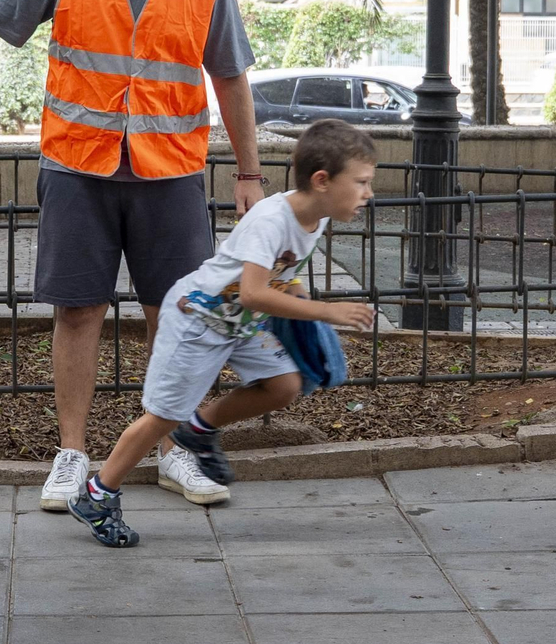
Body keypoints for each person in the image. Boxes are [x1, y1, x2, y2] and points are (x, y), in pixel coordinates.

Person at [0, 0, 266, 511]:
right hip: (77, 166)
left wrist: (250, 173)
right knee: (78, 310)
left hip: (170, 172)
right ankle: (72, 454)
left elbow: (230, 76)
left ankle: (173, 450)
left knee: (178, 315)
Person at [68, 119, 378, 547]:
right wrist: (325, 311)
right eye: (361, 182)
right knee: (163, 416)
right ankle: (98, 493)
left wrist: (306, 314)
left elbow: (280, 273)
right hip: (197, 320)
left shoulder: (315, 219)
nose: (369, 193)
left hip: (239, 324)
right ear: (322, 180)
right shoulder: (272, 219)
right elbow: (253, 292)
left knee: (284, 385)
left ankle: (200, 429)